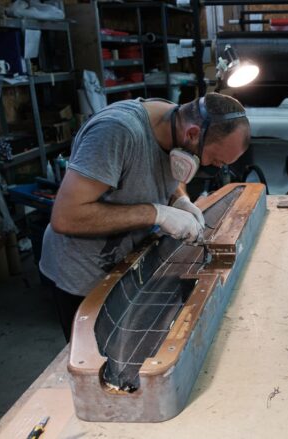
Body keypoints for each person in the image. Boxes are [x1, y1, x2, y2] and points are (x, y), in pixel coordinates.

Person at [39, 93, 250, 342]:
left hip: (128, 262)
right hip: (84, 273)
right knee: (100, 353)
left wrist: (180, 200)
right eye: (214, 160)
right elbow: (66, 217)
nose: (214, 167)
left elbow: (176, 170)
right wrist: (157, 213)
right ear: (193, 134)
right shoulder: (116, 132)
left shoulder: (178, 124)